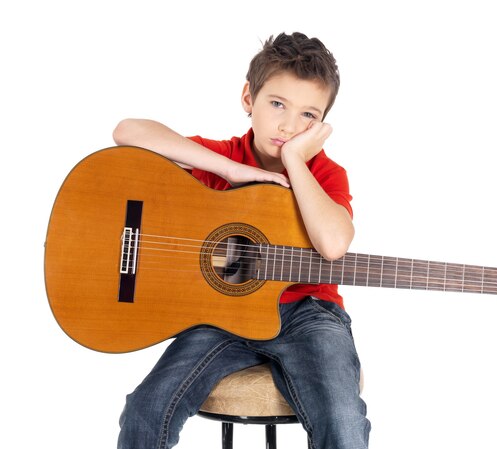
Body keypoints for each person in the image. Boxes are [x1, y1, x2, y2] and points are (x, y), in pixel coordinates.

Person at [113, 32, 369, 449]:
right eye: (277, 104)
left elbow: (334, 245)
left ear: (321, 126)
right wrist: (230, 171)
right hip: (222, 315)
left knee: (341, 422)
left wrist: (293, 162)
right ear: (248, 97)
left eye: (308, 115)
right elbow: (127, 132)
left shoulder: (327, 175)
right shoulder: (224, 159)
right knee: (146, 408)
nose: (289, 125)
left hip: (309, 314)